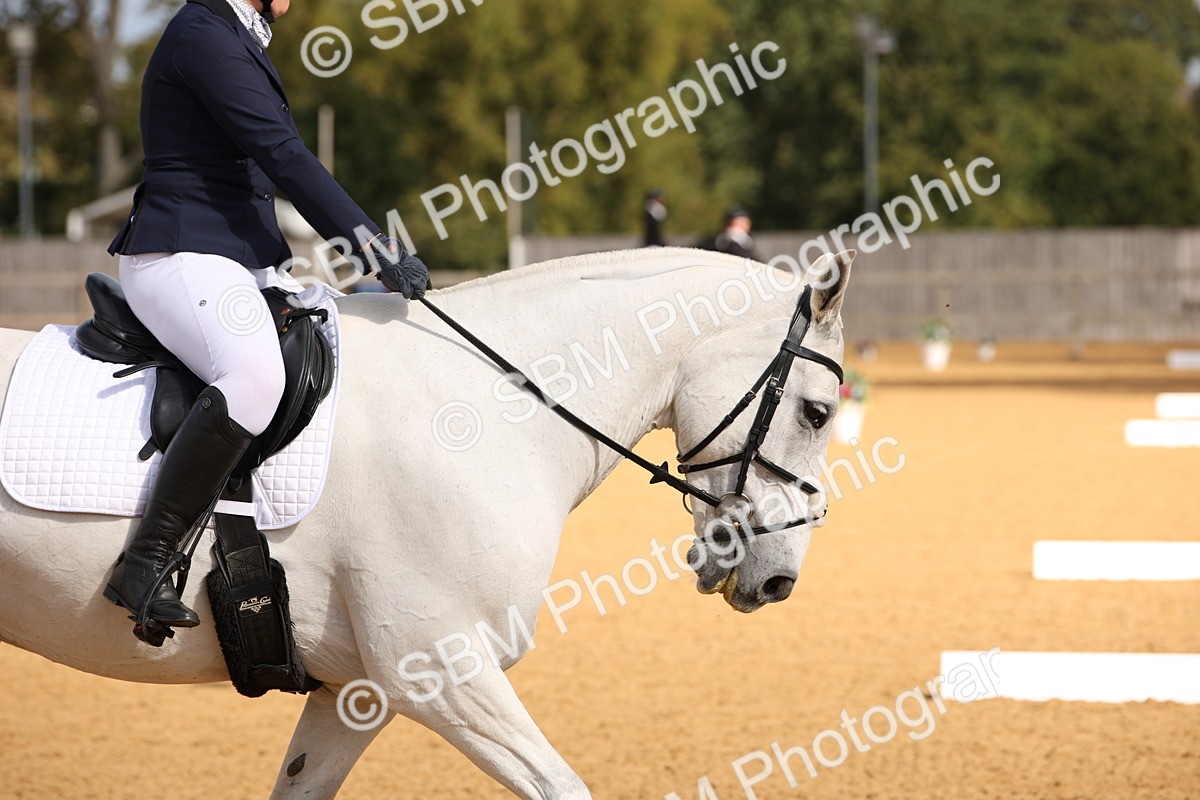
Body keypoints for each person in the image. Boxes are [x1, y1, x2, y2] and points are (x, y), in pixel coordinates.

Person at [103, 0, 429, 644]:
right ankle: (145, 563)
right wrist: (374, 249)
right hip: (181, 253)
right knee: (254, 375)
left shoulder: (236, 35)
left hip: (239, 258)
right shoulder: (202, 34)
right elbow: (282, 155)